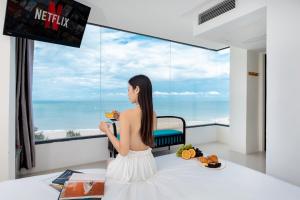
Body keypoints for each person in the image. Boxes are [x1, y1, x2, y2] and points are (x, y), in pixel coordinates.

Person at [99, 74, 157, 183]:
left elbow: (123, 151)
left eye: (128, 89)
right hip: (148, 166)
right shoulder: (153, 114)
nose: (128, 94)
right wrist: (120, 118)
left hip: (130, 170)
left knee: (109, 161)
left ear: (137, 89)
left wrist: (106, 130)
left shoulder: (127, 114)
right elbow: (139, 127)